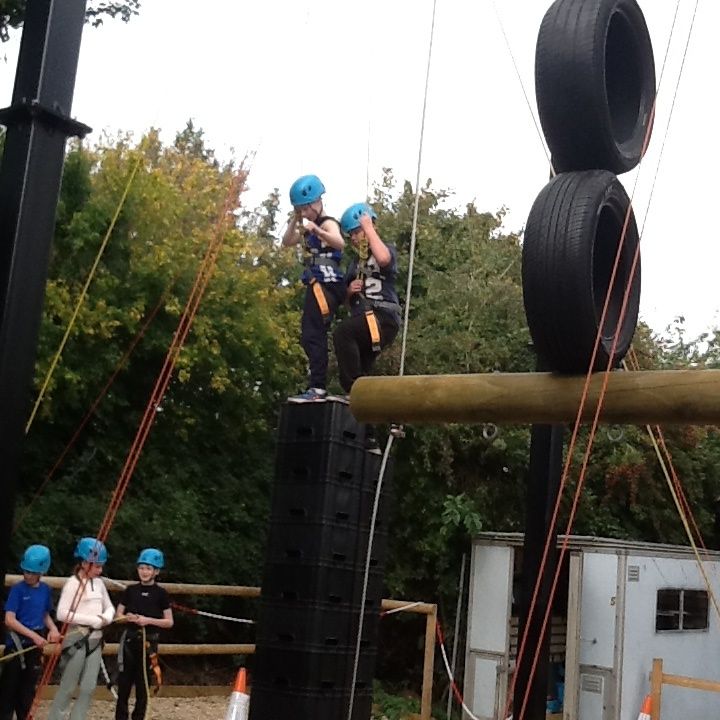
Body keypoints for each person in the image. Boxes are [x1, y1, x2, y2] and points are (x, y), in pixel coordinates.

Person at [282, 174, 345, 402]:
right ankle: (316, 384)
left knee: (313, 333)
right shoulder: (307, 226)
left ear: (317, 202)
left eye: (306, 208)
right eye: (301, 209)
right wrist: (295, 219)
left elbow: (339, 242)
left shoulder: (327, 223)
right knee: (310, 334)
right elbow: (287, 241)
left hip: (326, 284)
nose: (305, 213)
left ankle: (318, 387)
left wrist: (317, 231)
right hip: (318, 284)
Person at [333, 202, 401, 398]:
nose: (354, 238)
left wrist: (368, 228)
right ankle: (362, 401)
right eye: (351, 235)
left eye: (357, 232)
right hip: (365, 319)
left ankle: (352, 389)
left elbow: (384, 259)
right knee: (360, 363)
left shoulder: (385, 250)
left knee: (343, 333)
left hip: (383, 317)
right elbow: (345, 303)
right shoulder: (355, 264)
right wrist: (349, 292)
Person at [48, 537, 114, 720]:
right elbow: (62, 613)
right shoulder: (73, 583)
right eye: (97, 566)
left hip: (95, 640)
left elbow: (109, 607)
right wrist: (92, 620)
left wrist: (105, 618)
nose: (100, 570)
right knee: (68, 685)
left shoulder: (99, 584)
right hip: (77, 638)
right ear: (85, 563)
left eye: (101, 566)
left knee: (88, 687)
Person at [0, 545, 60, 720]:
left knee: (27, 690)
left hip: (34, 647)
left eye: (32, 573)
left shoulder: (45, 590)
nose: (28, 575)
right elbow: (9, 619)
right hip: (17, 644)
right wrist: (34, 636)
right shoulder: (17, 590)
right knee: (8, 690)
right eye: (26, 571)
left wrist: (53, 629)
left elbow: (44, 614)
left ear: (41, 572)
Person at [114, 548, 173, 720]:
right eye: (141, 568)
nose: (144, 572)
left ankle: (139, 717)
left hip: (148, 644)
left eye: (148, 568)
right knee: (124, 684)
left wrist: (148, 621)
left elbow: (169, 621)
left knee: (143, 685)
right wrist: (127, 618)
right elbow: (118, 615)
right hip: (129, 641)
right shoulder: (130, 590)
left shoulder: (161, 594)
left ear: (156, 571)